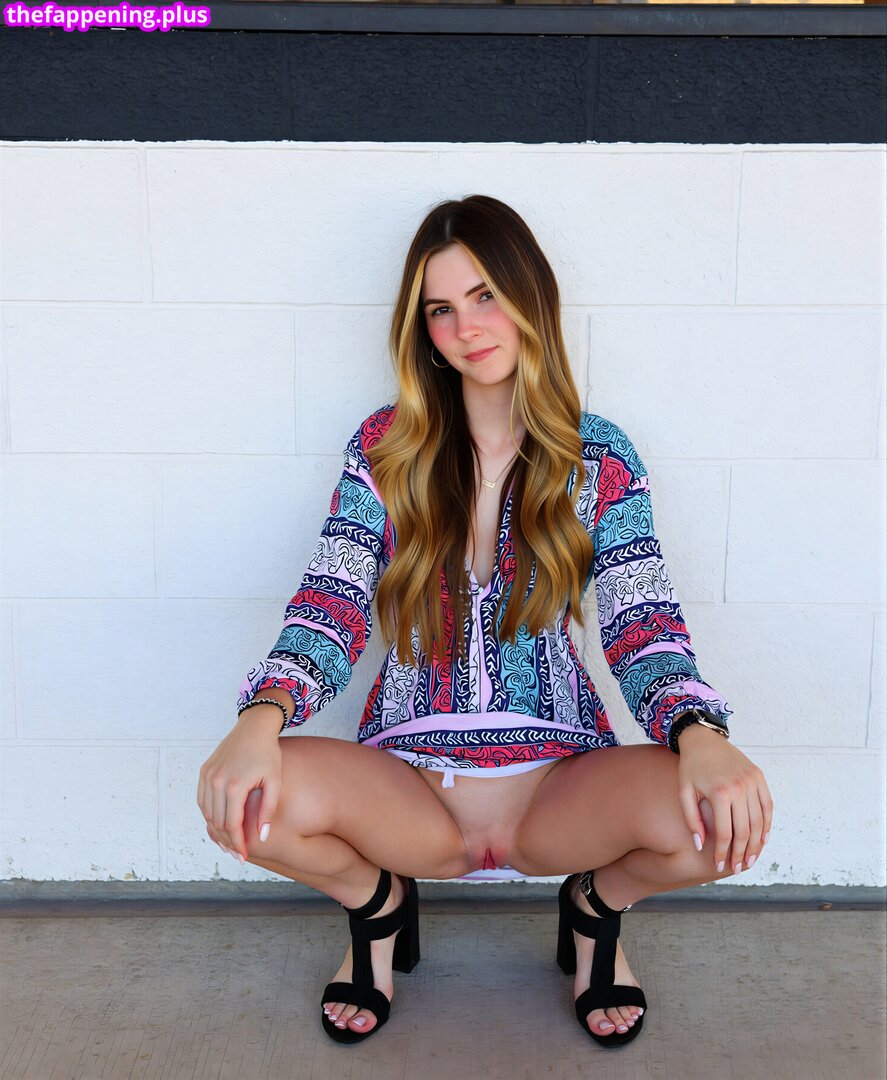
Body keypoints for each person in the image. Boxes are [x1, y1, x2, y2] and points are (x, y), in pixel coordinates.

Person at [197, 194, 774, 1049]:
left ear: (528, 296)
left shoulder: (598, 456)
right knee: (243, 799)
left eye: (485, 296)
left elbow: (640, 622)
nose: (466, 327)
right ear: (422, 330)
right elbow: (332, 600)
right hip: (410, 791)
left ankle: (595, 908)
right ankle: (377, 905)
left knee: (725, 821)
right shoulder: (385, 448)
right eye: (440, 309)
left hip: (559, 790)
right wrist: (260, 718)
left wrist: (698, 732)